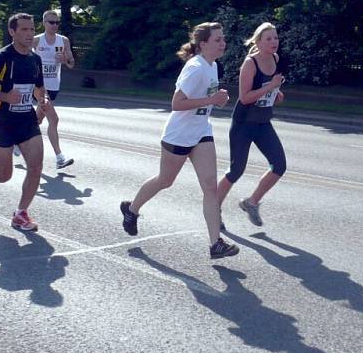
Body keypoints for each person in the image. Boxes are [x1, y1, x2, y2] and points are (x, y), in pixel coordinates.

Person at [118, 22, 239, 259]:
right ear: (203, 44)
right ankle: (131, 209)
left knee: (210, 188)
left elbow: (206, 99)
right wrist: (210, 100)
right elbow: (177, 103)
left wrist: (216, 100)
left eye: (223, 39)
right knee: (165, 180)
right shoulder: (195, 67)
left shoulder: (213, 66)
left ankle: (216, 244)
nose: (223, 43)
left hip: (201, 132)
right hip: (179, 135)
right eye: (217, 40)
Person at [0, 13, 50, 232]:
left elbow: (40, 88)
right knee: (4, 176)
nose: (30, 34)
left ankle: (20, 214)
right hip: (3, 121)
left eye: (32, 29)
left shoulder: (35, 59)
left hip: (27, 120)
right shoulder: (1, 57)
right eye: (24, 29)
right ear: (12, 32)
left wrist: (43, 101)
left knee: (36, 167)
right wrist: (4, 97)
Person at [217, 22, 286, 227]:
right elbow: (245, 97)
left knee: (279, 166)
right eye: (269, 39)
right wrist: (271, 87)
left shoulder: (276, 59)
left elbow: (270, 91)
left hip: (263, 123)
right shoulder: (250, 63)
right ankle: (214, 208)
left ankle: (251, 202)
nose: (274, 42)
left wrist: (276, 94)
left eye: (275, 38)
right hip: (243, 124)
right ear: (258, 42)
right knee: (236, 170)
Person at [34, 10, 76, 169]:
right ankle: (59, 157)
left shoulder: (63, 41)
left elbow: (72, 63)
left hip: (53, 86)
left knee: (37, 120)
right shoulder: (36, 41)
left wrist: (65, 60)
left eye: (57, 22)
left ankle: (17, 142)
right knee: (54, 119)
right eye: (51, 22)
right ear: (44, 23)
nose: (54, 25)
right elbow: (21, 55)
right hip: (38, 87)